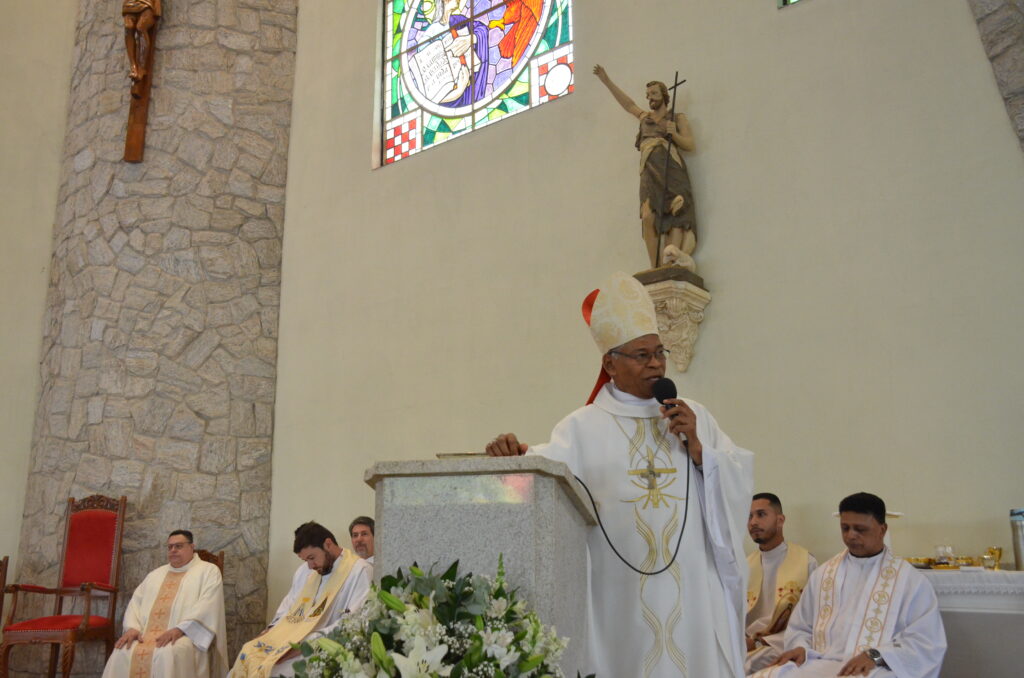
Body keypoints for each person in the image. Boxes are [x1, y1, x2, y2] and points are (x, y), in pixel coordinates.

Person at [486, 271, 754, 678]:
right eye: (643, 355)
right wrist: (510, 458)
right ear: (610, 363)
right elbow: (542, 479)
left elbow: (735, 478)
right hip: (618, 597)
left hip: (693, 589)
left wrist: (700, 451)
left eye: (659, 352)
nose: (657, 364)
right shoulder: (580, 428)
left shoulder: (692, 416)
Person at [752, 493, 946, 678]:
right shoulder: (824, 575)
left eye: (860, 529)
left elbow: (926, 642)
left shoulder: (909, 581)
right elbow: (801, 626)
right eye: (845, 528)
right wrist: (801, 647)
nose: (851, 536)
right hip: (818, 661)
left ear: (882, 530)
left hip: (876, 668)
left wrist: (876, 655)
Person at [228, 522, 372, 677]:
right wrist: (270, 630)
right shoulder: (305, 571)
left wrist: (305, 645)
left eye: (312, 557)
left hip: (324, 646)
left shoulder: (359, 571)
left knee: (276, 670)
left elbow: (353, 622)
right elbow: (289, 604)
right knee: (248, 652)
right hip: (289, 639)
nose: (310, 566)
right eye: (305, 560)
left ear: (328, 544)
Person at [593, 64, 697, 271]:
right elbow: (628, 104)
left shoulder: (676, 118)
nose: (650, 97)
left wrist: (673, 134)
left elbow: (690, 144)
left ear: (664, 95)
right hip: (649, 170)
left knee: (675, 211)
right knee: (648, 216)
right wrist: (606, 81)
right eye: (648, 94)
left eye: (654, 93)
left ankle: (673, 262)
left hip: (672, 167)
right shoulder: (645, 118)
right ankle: (655, 267)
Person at [101, 530, 227, 678]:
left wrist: (180, 629)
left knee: (167, 653)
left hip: (187, 635)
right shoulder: (155, 575)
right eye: (170, 547)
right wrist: (132, 628)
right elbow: (135, 603)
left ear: (192, 547)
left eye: (178, 546)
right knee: (121, 651)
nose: (173, 550)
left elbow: (208, 606)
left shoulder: (208, 571)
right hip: (146, 636)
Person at [745, 493, 818, 674]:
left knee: (741, 665)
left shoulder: (806, 563)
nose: (753, 522)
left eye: (761, 515)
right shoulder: (744, 566)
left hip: (784, 643)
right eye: (750, 516)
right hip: (746, 643)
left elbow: (813, 620)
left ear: (780, 520)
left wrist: (758, 642)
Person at [123, 0, 161, 83]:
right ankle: (133, 66)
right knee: (128, 27)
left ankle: (141, 67)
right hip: (130, 3)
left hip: (147, 3)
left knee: (141, 27)